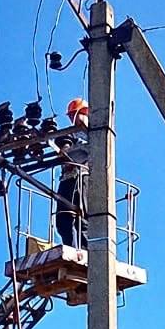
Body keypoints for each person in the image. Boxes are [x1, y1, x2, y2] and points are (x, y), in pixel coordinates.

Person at [54, 97, 90, 249]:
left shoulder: (94, 133)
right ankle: (73, 248)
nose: (71, 120)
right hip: (68, 178)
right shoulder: (73, 134)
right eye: (70, 116)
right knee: (63, 220)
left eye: (73, 115)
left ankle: (86, 250)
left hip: (81, 177)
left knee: (80, 220)